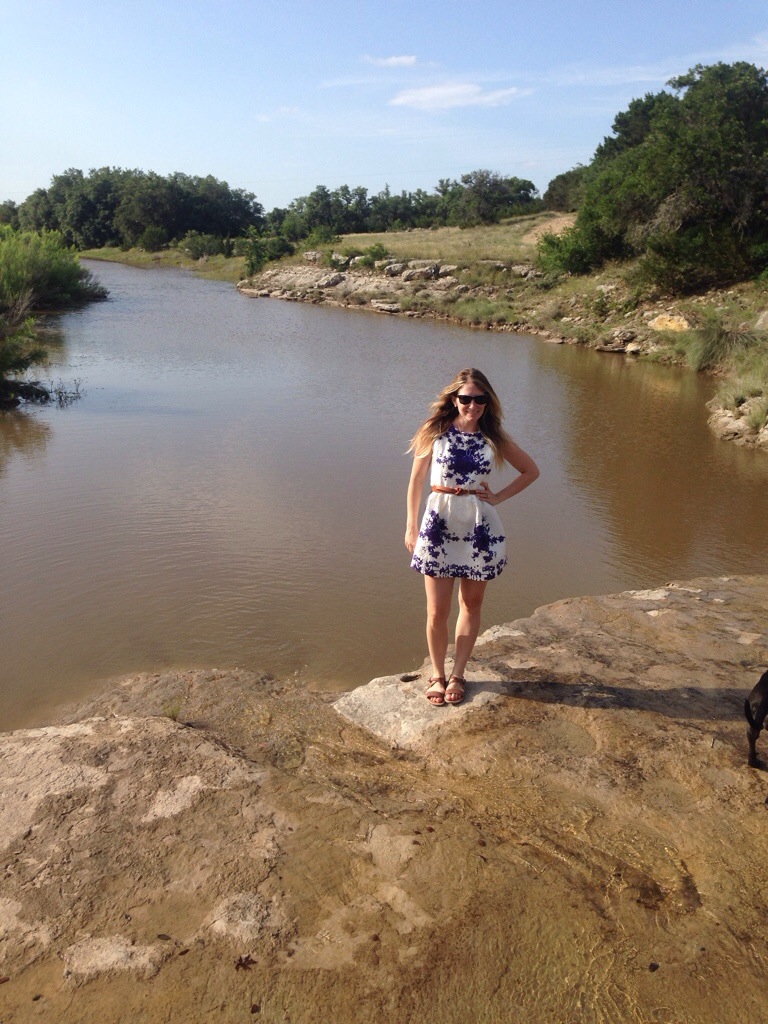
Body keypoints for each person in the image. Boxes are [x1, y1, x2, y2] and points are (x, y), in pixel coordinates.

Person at [405, 368, 540, 706]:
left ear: (487, 402)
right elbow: (416, 482)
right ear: (454, 399)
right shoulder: (434, 431)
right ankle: (437, 674)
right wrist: (411, 526)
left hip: (479, 526)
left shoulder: (494, 437)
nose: (473, 405)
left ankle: (459, 673)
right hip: (439, 523)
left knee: (471, 603)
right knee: (437, 610)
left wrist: (499, 497)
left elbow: (531, 471)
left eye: (480, 399)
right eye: (466, 398)